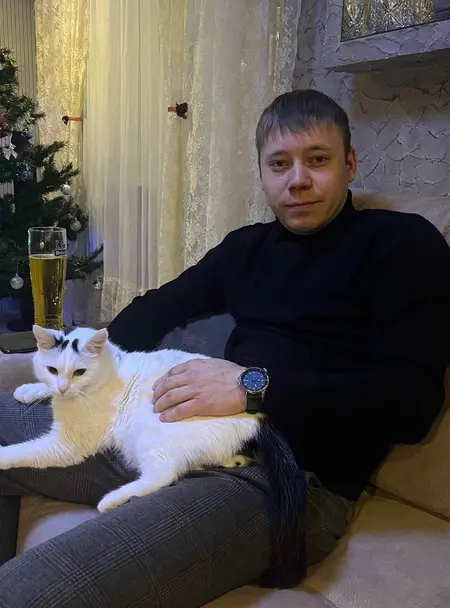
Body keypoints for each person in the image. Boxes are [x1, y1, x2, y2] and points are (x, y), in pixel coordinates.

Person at [1, 89, 450, 607]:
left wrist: (252, 387)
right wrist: (98, 372)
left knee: (30, 593)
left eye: (317, 160)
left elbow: (411, 401)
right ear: (262, 172)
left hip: (280, 478)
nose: (297, 179)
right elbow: (156, 309)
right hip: (163, 434)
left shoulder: (400, 244)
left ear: (349, 164)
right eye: (279, 164)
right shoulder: (247, 249)